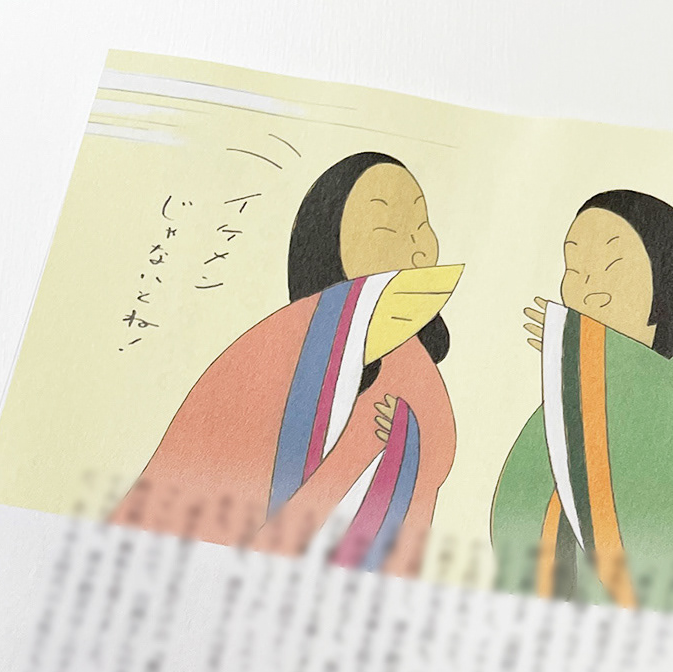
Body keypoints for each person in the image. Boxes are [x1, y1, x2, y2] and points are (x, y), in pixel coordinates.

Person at [111, 152, 457, 576]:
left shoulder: (410, 357)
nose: (417, 247)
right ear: (328, 244)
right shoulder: (277, 343)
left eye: (422, 227)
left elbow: (439, 453)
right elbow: (199, 461)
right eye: (386, 230)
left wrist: (405, 435)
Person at [491, 189, 673, 619]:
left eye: (612, 266)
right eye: (574, 268)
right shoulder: (559, 412)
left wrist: (602, 355)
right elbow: (515, 531)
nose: (588, 290)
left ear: (667, 278)